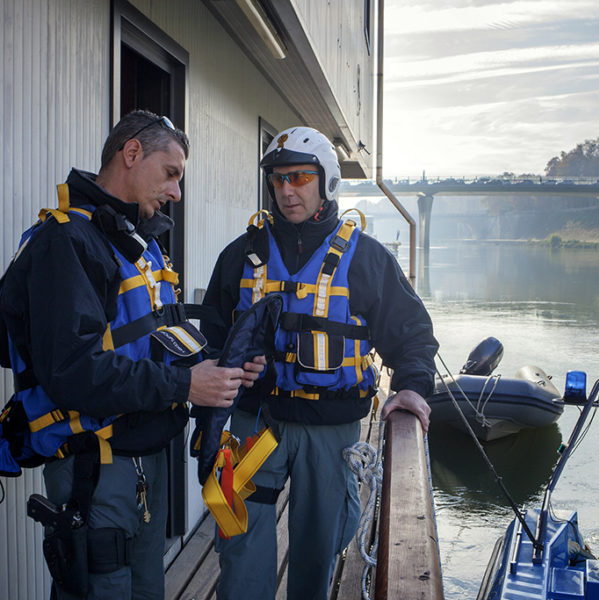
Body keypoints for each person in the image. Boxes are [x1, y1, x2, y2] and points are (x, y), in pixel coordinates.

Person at [0, 110, 264, 600]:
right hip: (96, 472)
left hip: (147, 463)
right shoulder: (67, 242)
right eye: (172, 174)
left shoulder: (139, 245)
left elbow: (156, 339)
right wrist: (187, 386)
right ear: (132, 153)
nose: (177, 193)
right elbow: (73, 371)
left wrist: (219, 370)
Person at [201, 126, 439, 599]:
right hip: (252, 424)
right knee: (236, 539)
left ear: (326, 180)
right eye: (278, 180)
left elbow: (411, 332)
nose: (287, 190)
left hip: (329, 433)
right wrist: (221, 366)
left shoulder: (366, 258)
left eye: (300, 178)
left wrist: (412, 387)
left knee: (319, 549)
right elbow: (210, 335)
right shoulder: (238, 257)